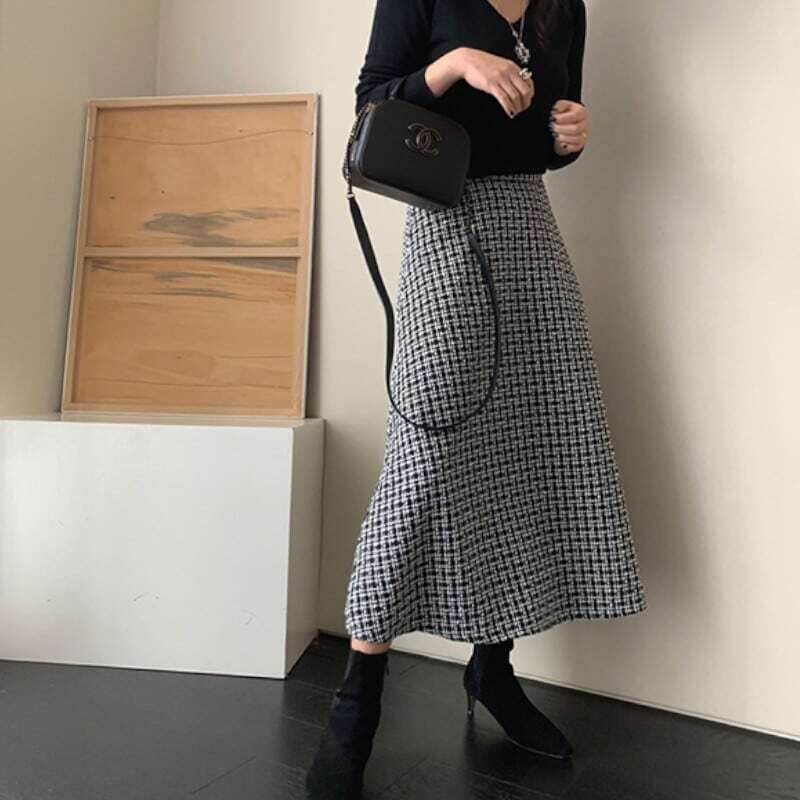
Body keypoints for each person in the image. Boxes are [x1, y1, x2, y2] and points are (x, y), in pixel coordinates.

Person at [306, 1, 648, 797]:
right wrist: (455, 62)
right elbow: (372, 105)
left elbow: (546, 139)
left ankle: (493, 667)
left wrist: (570, 136)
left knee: (529, 443)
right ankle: (355, 708)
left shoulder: (563, 5)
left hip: (531, 229)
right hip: (443, 221)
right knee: (423, 459)